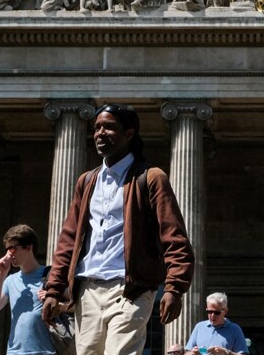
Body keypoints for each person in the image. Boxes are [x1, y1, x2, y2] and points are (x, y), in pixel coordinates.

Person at [42, 103, 195, 355]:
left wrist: (174, 288)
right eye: (97, 128)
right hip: (88, 289)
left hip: (129, 290)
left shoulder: (151, 177)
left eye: (109, 127)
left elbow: (174, 237)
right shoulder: (87, 181)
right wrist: (54, 289)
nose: (100, 133)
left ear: (129, 134)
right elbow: (68, 240)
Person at [0, 224, 57, 355]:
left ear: (29, 247)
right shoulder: (10, 280)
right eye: (7, 249)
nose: (9, 254)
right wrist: (2, 273)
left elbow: (71, 302)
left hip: (45, 351)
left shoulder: (50, 274)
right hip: (14, 352)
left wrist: (53, 297)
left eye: (13, 248)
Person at [181, 292, 249, 355]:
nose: (212, 316)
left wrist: (226, 352)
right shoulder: (199, 327)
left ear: (225, 311)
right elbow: (187, 352)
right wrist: (192, 353)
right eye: (209, 312)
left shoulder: (235, 329)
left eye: (217, 313)